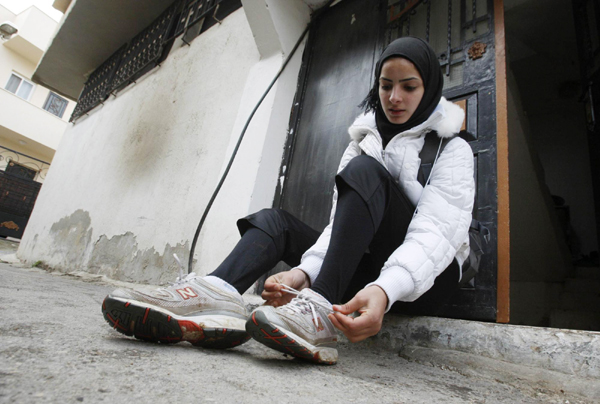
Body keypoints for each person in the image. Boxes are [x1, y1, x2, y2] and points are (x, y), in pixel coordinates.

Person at [102, 37, 474, 365]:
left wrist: (384, 289)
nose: (394, 98)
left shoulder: (450, 148)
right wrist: (304, 272)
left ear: (429, 88)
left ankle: (319, 312)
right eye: (386, 85)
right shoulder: (363, 141)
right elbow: (339, 225)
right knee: (275, 222)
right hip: (363, 267)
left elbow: (435, 235)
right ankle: (216, 296)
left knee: (364, 172)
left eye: (409, 87)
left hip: (424, 280)